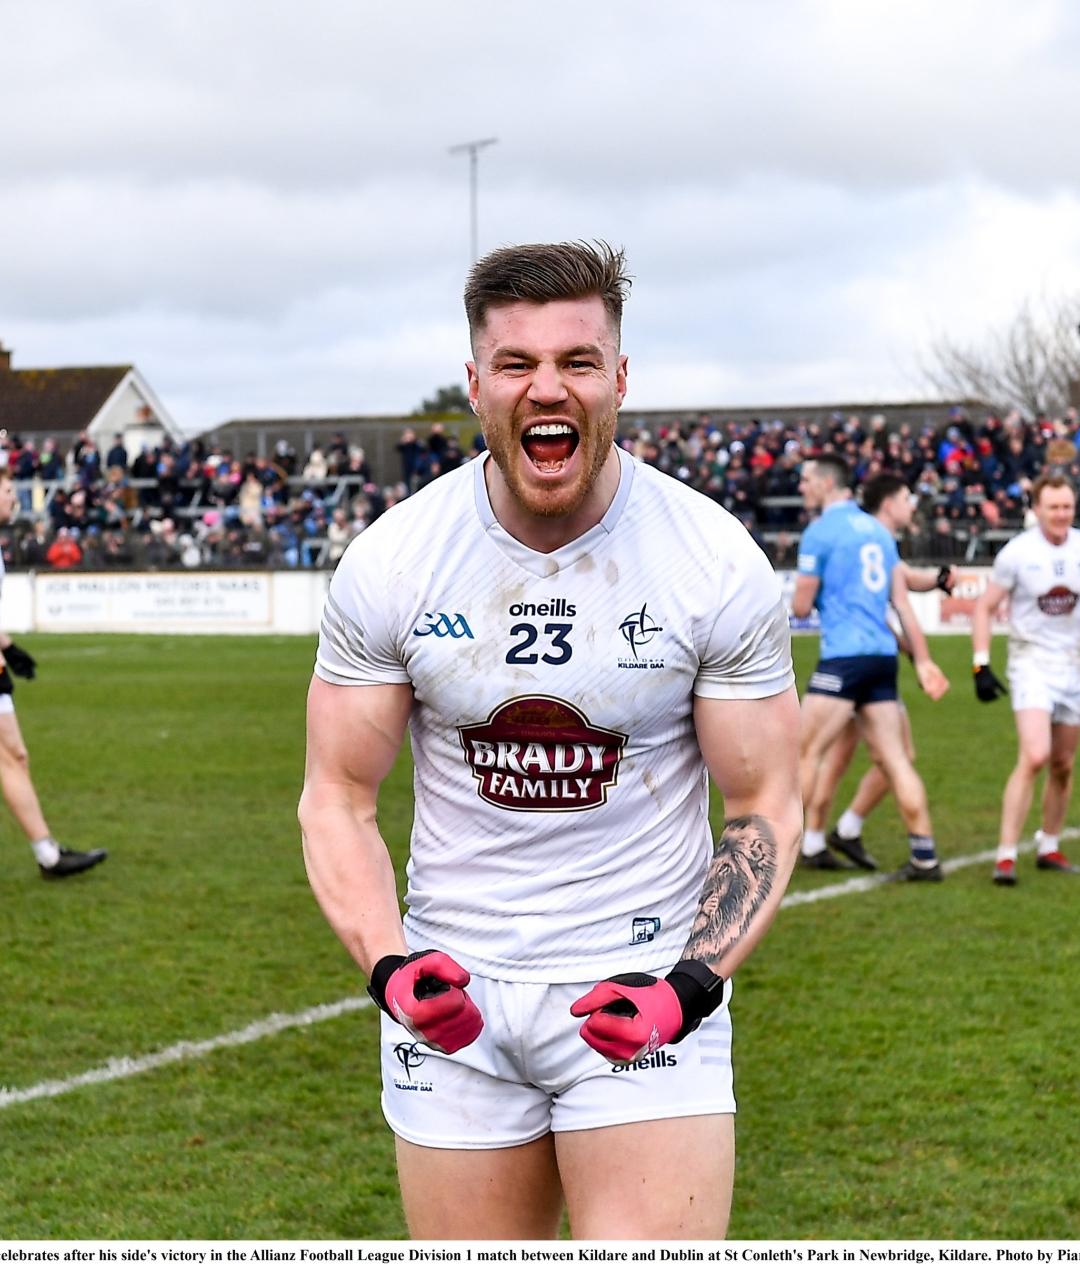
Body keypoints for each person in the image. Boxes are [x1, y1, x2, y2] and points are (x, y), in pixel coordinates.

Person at [299, 242, 801, 1240]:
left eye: (577, 361)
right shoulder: (395, 561)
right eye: (517, 363)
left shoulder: (710, 560)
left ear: (620, 378)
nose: (547, 388)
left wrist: (688, 987)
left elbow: (765, 805)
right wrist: (391, 968)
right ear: (475, 382)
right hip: (454, 998)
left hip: (643, 990)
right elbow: (337, 799)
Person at [0, 461, 108, 879]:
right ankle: (47, 854)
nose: (12, 499)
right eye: (6, 491)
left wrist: (7, 646)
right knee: (12, 754)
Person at [790, 461, 949, 880]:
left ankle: (780, 851)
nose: (801, 487)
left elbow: (801, 607)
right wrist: (922, 658)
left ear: (827, 483)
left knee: (806, 754)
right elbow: (902, 601)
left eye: (806, 480)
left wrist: (823, 595)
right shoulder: (879, 533)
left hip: (843, 658)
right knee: (896, 759)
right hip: (882, 657)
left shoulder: (820, 532)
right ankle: (924, 855)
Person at [970, 472, 1080, 885]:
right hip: (1031, 661)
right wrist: (980, 663)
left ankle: (1049, 846)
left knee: (1062, 763)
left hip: (1075, 664)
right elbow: (984, 607)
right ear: (1036, 509)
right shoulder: (1017, 553)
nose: (1061, 514)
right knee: (1036, 754)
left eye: (1067, 507)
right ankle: (1005, 856)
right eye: (1053, 507)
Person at [802, 560, 955, 871]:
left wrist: (938, 577)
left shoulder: (853, 552)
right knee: (889, 756)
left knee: (833, 758)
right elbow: (904, 582)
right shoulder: (871, 545)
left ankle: (822, 838)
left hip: (849, 662)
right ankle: (834, 833)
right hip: (866, 665)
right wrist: (918, 656)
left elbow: (904, 582)